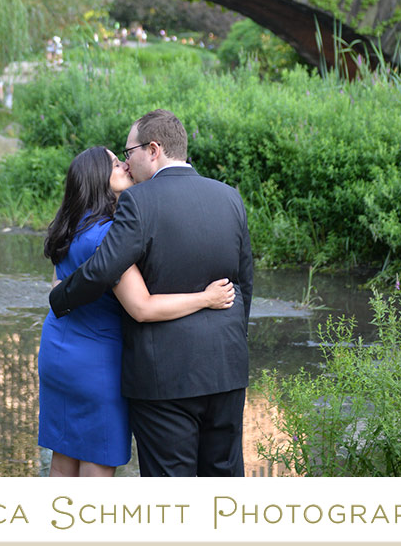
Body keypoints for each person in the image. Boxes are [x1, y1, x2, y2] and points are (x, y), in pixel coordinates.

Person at [49, 109, 253, 476]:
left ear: (153, 149)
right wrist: (234, 342)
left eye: (129, 152)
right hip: (226, 367)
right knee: (224, 480)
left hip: (164, 376)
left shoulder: (138, 202)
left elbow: (103, 268)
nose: (128, 162)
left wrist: (60, 298)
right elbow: (245, 283)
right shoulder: (229, 197)